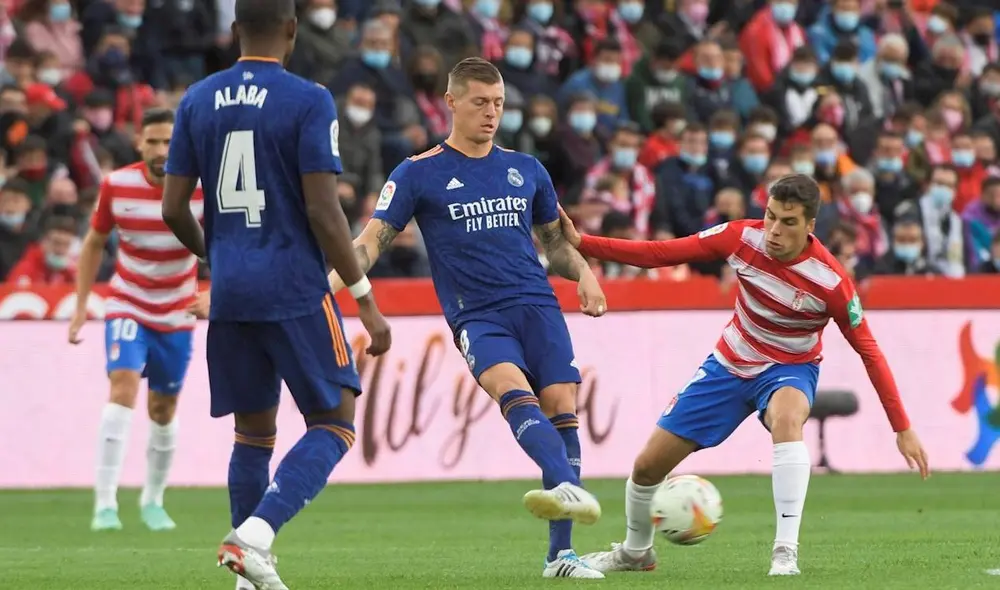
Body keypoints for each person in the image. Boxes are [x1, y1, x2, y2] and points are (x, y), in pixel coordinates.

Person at [558, 174, 930, 576]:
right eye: (770, 216)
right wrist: (583, 243)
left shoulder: (832, 282)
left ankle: (785, 552)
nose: (773, 230)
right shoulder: (740, 237)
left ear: (810, 227)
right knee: (647, 467)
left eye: (788, 222)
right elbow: (661, 253)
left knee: (788, 419)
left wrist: (902, 427)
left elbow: (869, 351)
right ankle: (635, 552)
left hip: (790, 368)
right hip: (729, 363)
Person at [328, 56, 609, 579]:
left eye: (498, 103)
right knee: (512, 393)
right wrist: (327, 286)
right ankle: (564, 483)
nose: (491, 113)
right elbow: (370, 243)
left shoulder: (526, 169)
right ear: (451, 102)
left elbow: (555, 244)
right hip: (477, 315)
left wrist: (586, 274)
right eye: (480, 102)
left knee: (561, 406)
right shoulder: (417, 173)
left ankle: (560, 557)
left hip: (537, 305)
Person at [159, 1, 392, 589]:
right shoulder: (309, 98)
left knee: (253, 433)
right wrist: (363, 296)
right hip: (293, 285)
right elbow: (322, 208)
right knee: (336, 422)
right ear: (291, 30)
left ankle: (247, 578)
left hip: (232, 291)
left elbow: (171, 207)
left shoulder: (197, 98)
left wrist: (218, 258)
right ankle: (255, 536)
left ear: (235, 31)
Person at [69, 108, 202, 533]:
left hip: (178, 310)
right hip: (127, 302)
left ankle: (153, 500)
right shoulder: (116, 185)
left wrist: (214, 295)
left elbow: (228, 246)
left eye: (169, 142)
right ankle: (104, 505)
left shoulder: (201, 189)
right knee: (122, 387)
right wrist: (79, 306)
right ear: (138, 142)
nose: (162, 150)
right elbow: (94, 243)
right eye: (154, 141)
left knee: (162, 409)